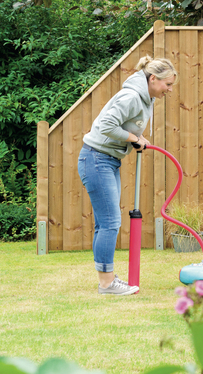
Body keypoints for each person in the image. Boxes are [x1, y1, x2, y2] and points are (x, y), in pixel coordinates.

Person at [78, 55, 178, 295]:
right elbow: (105, 126)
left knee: (106, 223)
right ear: (153, 79)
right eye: (168, 84)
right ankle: (107, 284)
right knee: (111, 222)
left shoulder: (146, 97)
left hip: (107, 160)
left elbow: (123, 127)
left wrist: (137, 138)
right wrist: (134, 138)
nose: (170, 90)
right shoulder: (132, 96)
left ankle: (107, 278)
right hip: (96, 158)